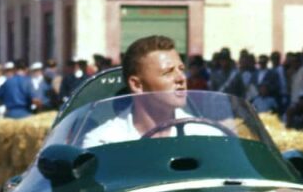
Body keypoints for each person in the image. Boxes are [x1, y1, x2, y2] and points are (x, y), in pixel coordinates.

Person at [81, 34, 223, 145]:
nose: (181, 78)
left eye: (181, 69)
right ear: (137, 85)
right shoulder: (104, 141)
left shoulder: (207, 136)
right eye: (168, 72)